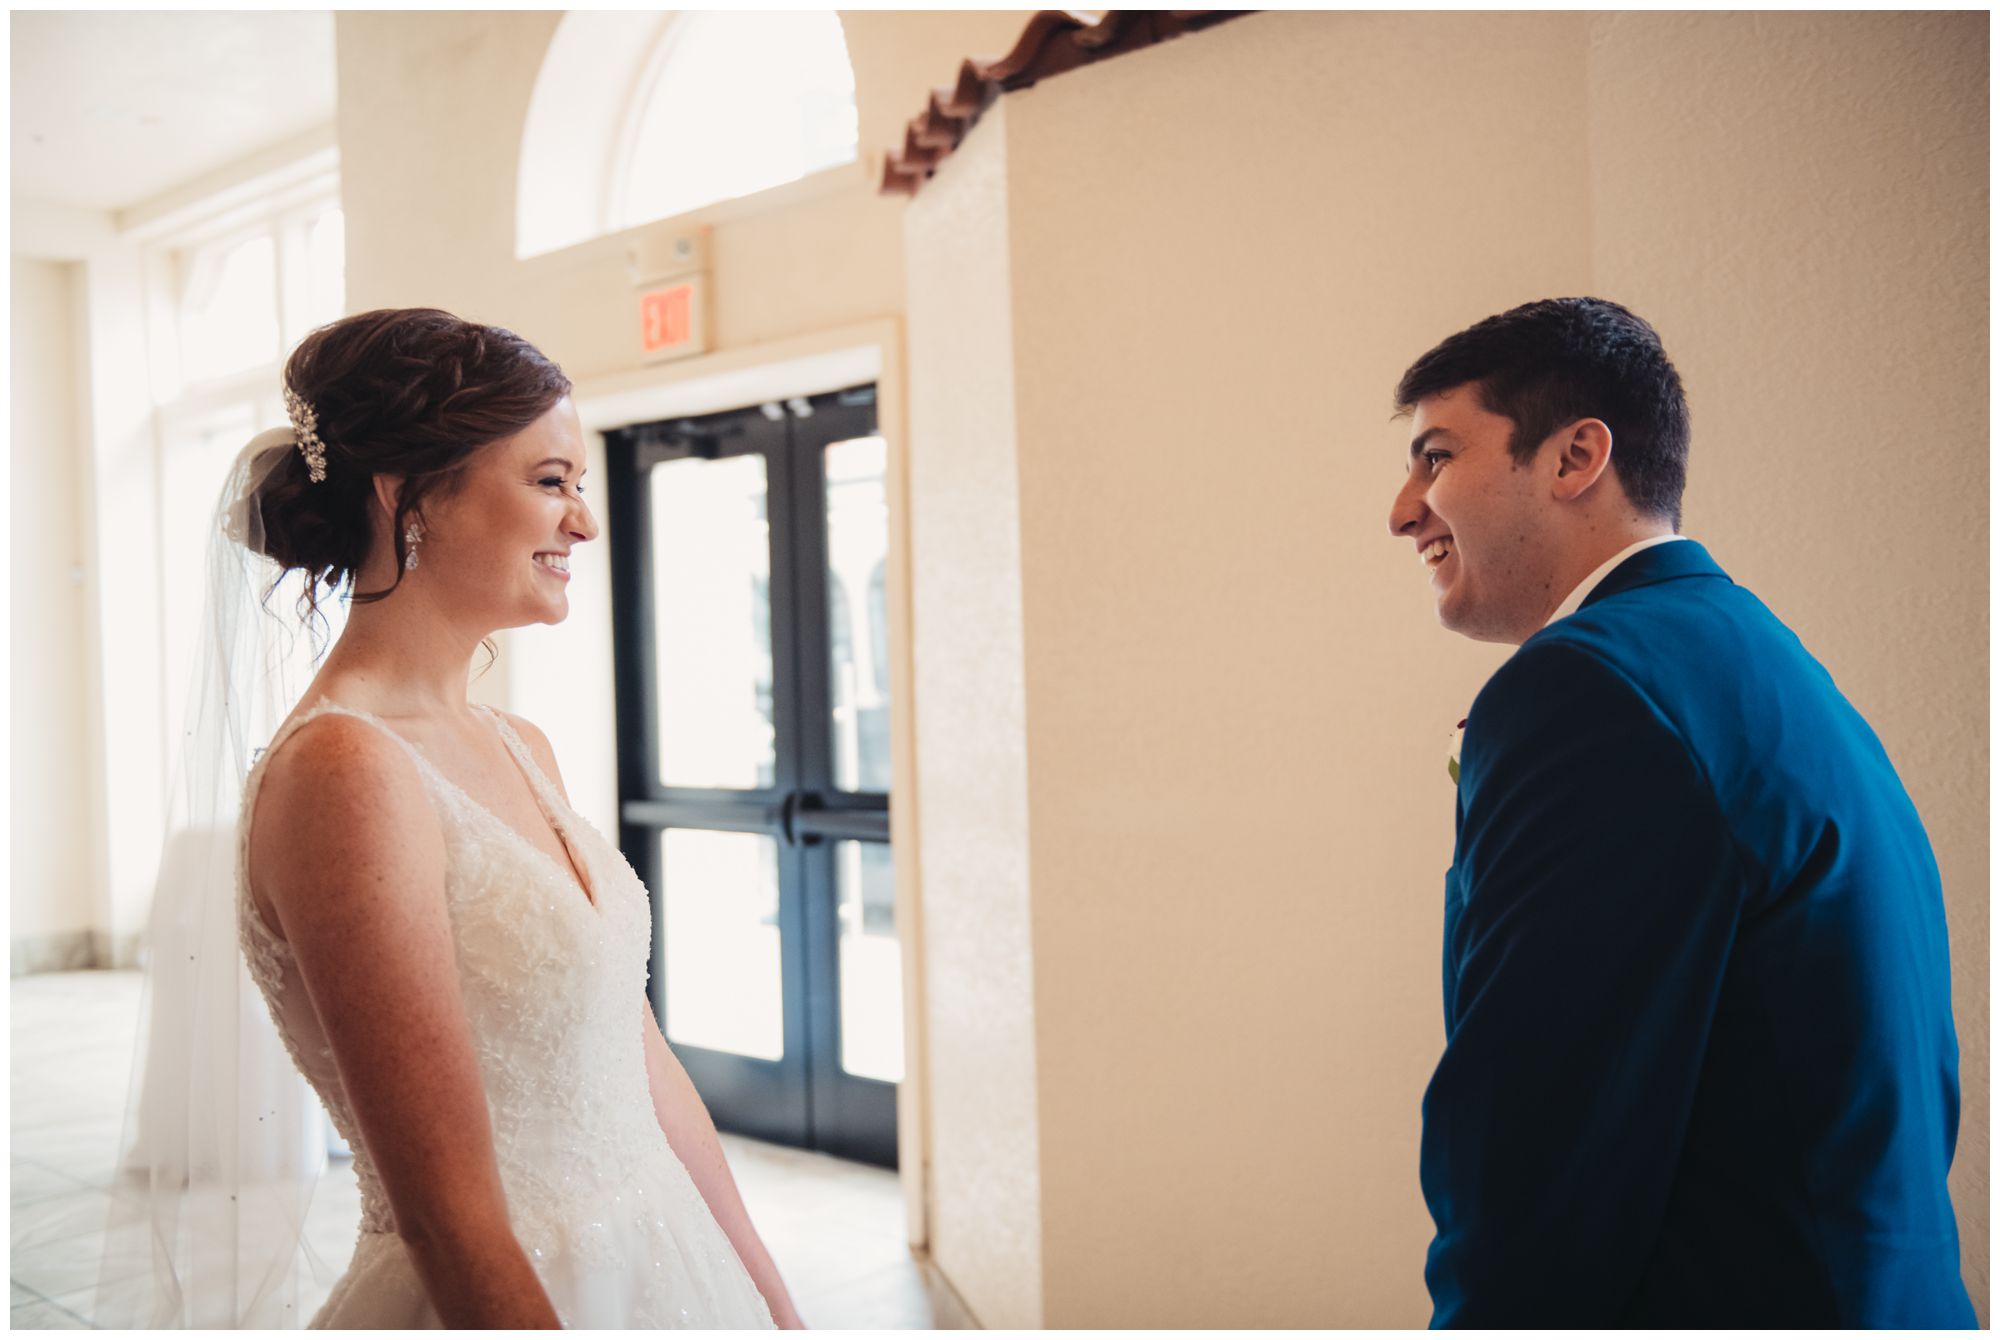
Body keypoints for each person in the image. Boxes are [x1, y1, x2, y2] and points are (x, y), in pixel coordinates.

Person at [142, 307, 803, 1328]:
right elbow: (446, 1217)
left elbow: (638, 1063)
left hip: (667, 1264)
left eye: (578, 485)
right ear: (405, 493)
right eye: (550, 481)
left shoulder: (518, 743)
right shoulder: (343, 771)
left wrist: (768, 1298)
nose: (583, 522)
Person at [1385, 298, 1974, 1327]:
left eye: (1435, 458)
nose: (1403, 511)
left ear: (1575, 457)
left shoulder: (1587, 687)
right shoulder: (1757, 661)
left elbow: (1537, 1139)